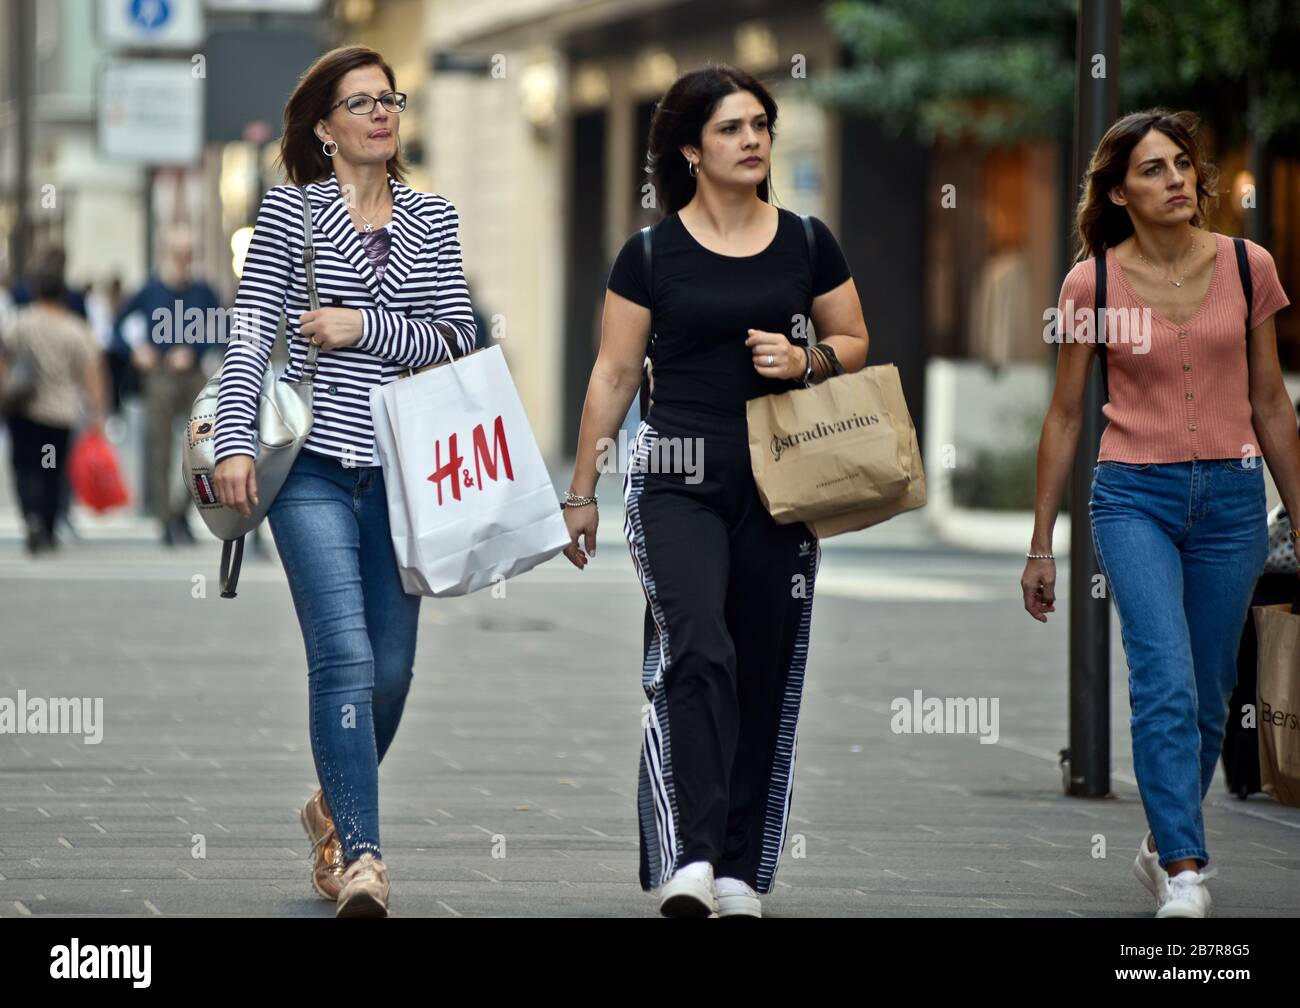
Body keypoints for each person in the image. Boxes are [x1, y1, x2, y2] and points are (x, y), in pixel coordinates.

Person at [563, 65, 868, 917]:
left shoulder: (807, 240)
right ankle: (690, 856)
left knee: (764, 668)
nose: (754, 139)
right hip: (673, 481)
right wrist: (582, 490)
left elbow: (853, 336)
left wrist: (804, 359)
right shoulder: (651, 253)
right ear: (692, 149)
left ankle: (738, 869)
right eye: (733, 128)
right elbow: (615, 373)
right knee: (697, 649)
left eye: (762, 124)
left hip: (782, 483)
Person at [212, 45, 476, 918]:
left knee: (393, 671)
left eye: (388, 100)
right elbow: (252, 331)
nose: (379, 114)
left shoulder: (433, 221)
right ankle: (362, 857)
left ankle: (329, 805)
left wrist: (363, 328)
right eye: (359, 103)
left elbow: (451, 341)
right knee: (345, 657)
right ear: (324, 129)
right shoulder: (291, 213)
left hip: (405, 478)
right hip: (316, 471)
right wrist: (235, 439)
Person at [1022, 108, 1295, 918]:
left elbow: (1273, 403)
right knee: (1165, 679)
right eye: (1153, 169)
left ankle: (1159, 839)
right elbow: (1066, 414)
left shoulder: (1249, 267)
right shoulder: (1091, 283)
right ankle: (1184, 869)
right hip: (1133, 496)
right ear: (1118, 191)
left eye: (1181, 163)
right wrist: (1041, 545)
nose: (1176, 179)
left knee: (1211, 691)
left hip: (1234, 501)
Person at [114, 227, 222, 545]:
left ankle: (181, 512)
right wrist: (137, 351)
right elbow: (117, 326)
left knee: (204, 448)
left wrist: (195, 350)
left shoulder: (204, 290)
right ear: (168, 253)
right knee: (159, 448)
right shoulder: (150, 289)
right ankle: (165, 519)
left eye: (189, 252)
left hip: (192, 376)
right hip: (159, 375)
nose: (185, 259)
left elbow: (222, 325)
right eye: (180, 252)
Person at [0, 268, 108, 554]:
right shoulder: (74, 328)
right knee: (51, 470)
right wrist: (97, 412)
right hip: (58, 414)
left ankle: (31, 517)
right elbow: (91, 372)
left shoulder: (19, 322)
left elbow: (3, 355)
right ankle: (47, 525)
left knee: (24, 467)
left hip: (22, 409)